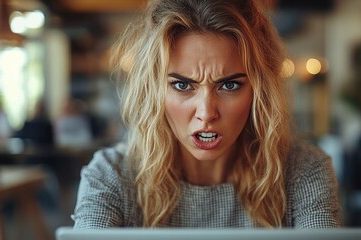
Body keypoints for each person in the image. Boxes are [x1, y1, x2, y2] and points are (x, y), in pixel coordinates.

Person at [72, 0, 341, 229]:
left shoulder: (303, 171)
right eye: (182, 85)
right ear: (154, 90)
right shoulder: (110, 177)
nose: (206, 113)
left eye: (229, 85)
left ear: (259, 91)